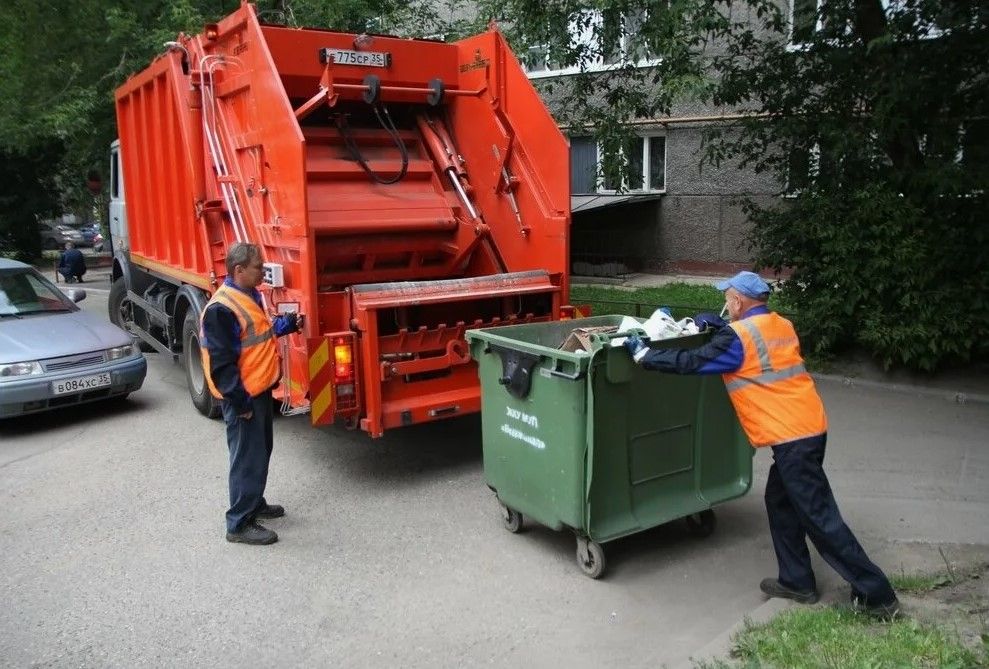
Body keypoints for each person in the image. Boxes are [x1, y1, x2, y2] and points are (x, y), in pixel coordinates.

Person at [623, 271, 899, 618]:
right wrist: (722, 329)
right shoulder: (780, 324)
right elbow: (754, 349)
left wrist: (647, 356)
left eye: (728, 299)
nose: (725, 304)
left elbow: (695, 361)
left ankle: (878, 596)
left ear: (737, 302)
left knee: (820, 519)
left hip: (792, 438)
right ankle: (797, 581)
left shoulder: (738, 338)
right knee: (781, 503)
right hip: (808, 427)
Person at [200, 242, 303, 545]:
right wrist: (240, 403)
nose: (263, 271)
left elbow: (256, 335)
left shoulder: (248, 295)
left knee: (258, 453)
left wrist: (285, 326)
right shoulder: (221, 309)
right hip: (244, 397)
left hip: (258, 391)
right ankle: (239, 523)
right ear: (238, 270)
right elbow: (223, 365)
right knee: (246, 457)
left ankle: (254, 502)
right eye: (259, 267)